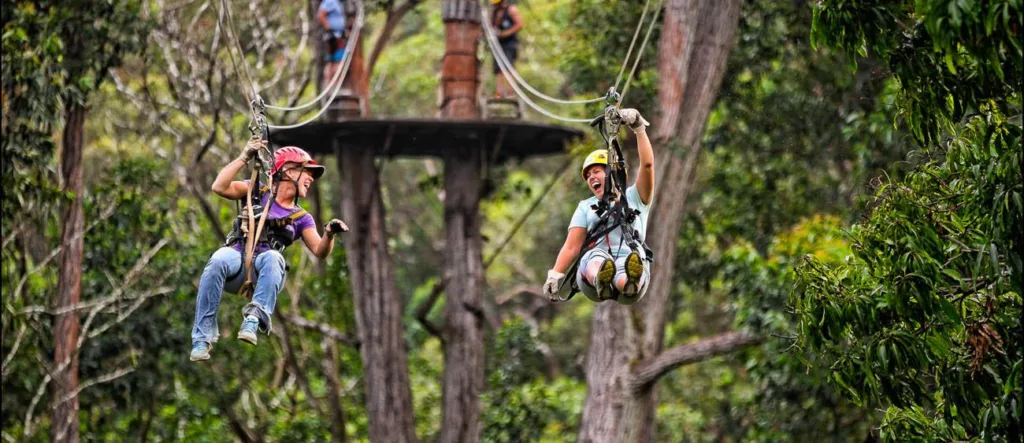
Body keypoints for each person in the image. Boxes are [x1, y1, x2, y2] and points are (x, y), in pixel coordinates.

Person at [190, 139, 348, 362]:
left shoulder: (302, 218)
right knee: (217, 259)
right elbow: (219, 187)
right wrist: (244, 156)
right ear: (288, 171)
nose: (311, 179)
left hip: (263, 273)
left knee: (274, 257)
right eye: (307, 172)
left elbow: (320, 251)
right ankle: (201, 338)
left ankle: (255, 318)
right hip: (237, 259)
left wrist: (329, 233)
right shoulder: (256, 191)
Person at [542, 109, 654, 305]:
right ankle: (601, 279)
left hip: (630, 263)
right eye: (588, 176)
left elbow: (647, 166)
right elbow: (572, 246)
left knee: (628, 262)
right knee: (595, 256)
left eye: (596, 171)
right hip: (590, 276)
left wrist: (638, 128)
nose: (591, 177)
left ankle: (628, 281)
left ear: (613, 171)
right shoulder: (586, 207)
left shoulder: (635, 197)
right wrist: (555, 274)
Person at [490, 0, 524, 99]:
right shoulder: (494, 12)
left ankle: (510, 93)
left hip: (509, 44)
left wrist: (506, 33)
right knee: (498, 69)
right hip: (498, 44)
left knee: (509, 68)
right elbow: (490, 26)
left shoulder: (511, 10)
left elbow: (520, 24)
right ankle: (499, 93)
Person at [318, 0, 347, 88]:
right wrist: (329, 29)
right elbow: (321, 15)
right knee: (333, 62)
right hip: (332, 36)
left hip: (339, 36)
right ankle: (330, 86)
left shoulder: (339, 3)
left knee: (338, 62)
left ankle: (335, 86)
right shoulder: (330, 1)